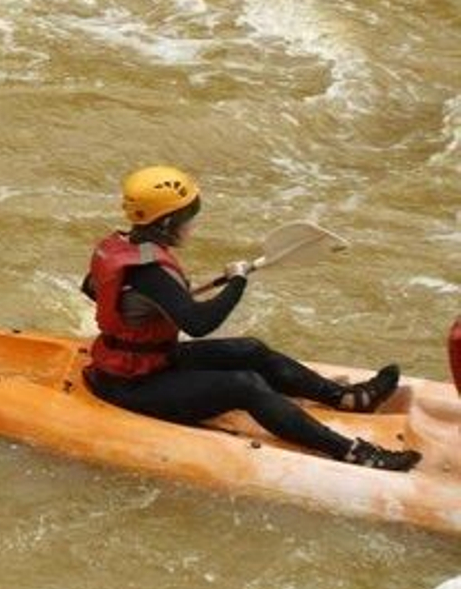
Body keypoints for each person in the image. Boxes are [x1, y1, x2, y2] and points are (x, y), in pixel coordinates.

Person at [79, 166, 420, 472]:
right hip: (129, 385)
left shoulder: (118, 245)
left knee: (251, 350)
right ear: (167, 223)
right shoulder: (150, 272)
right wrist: (239, 282)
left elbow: (94, 290)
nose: (193, 223)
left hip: (148, 361)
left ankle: (346, 398)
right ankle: (352, 451)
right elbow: (200, 325)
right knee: (245, 385)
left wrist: (156, 303)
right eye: (189, 216)